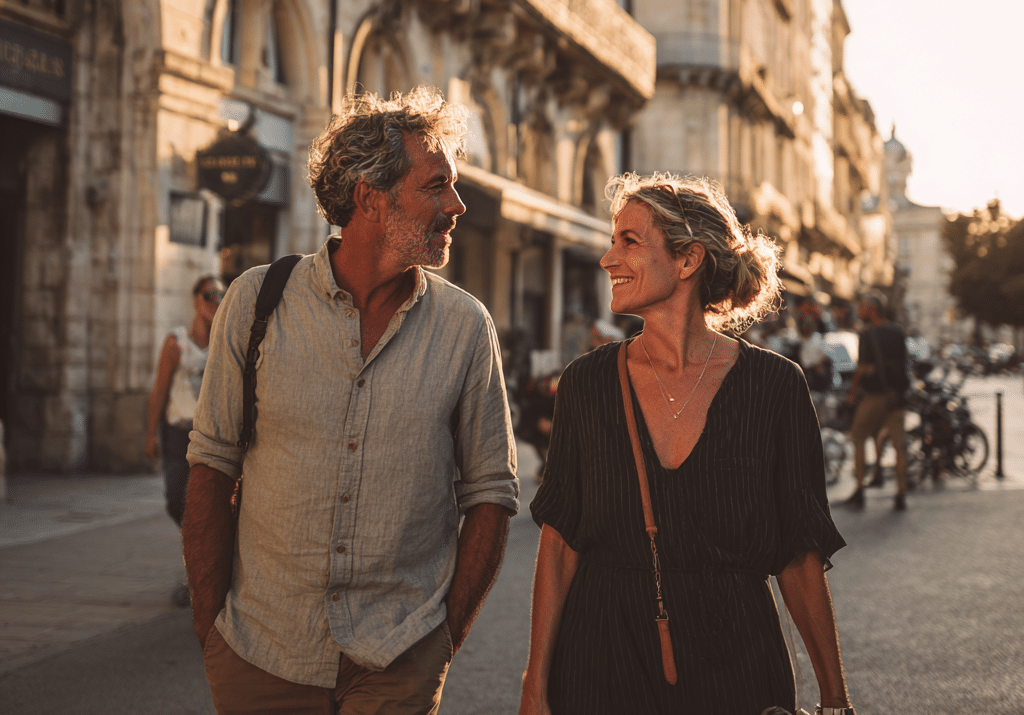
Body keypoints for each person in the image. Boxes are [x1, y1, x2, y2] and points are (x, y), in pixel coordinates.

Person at [183, 86, 519, 715]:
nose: (457, 204)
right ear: (371, 197)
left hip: (399, 656)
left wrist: (443, 639)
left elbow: (491, 496)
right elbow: (210, 468)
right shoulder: (257, 302)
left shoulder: (466, 326)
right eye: (436, 185)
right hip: (262, 652)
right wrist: (212, 632)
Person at [519, 173, 854, 715]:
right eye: (613, 239)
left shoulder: (776, 387)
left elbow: (799, 554)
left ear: (688, 260)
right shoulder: (587, 383)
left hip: (739, 668)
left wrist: (836, 699)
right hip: (602, 663)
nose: (608, 259)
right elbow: (559, 546)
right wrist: (535, 686)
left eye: (629, 241)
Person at [145, 274, 223, 603]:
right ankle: (204, 554)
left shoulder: (226, 340)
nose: (215, 303)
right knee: (176, 500)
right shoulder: (176, 342)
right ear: (195, 300)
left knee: (204, 507)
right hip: (178, 433)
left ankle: (198, 575)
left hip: (211, 435)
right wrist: (151, 433)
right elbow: (160, 389)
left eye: (221, 296)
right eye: (209, 296)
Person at [844, 294, 909, 512]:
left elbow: (862, 368)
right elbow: (903, 362)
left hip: (876, 395)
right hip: (897, 396)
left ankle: (860, 489)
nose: (859, 311)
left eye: (862, 307)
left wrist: (852, 393)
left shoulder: (867, 334)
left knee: (858, 436)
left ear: (872, 310)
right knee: (900, 446)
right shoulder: (898, 331)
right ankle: (900, 493)